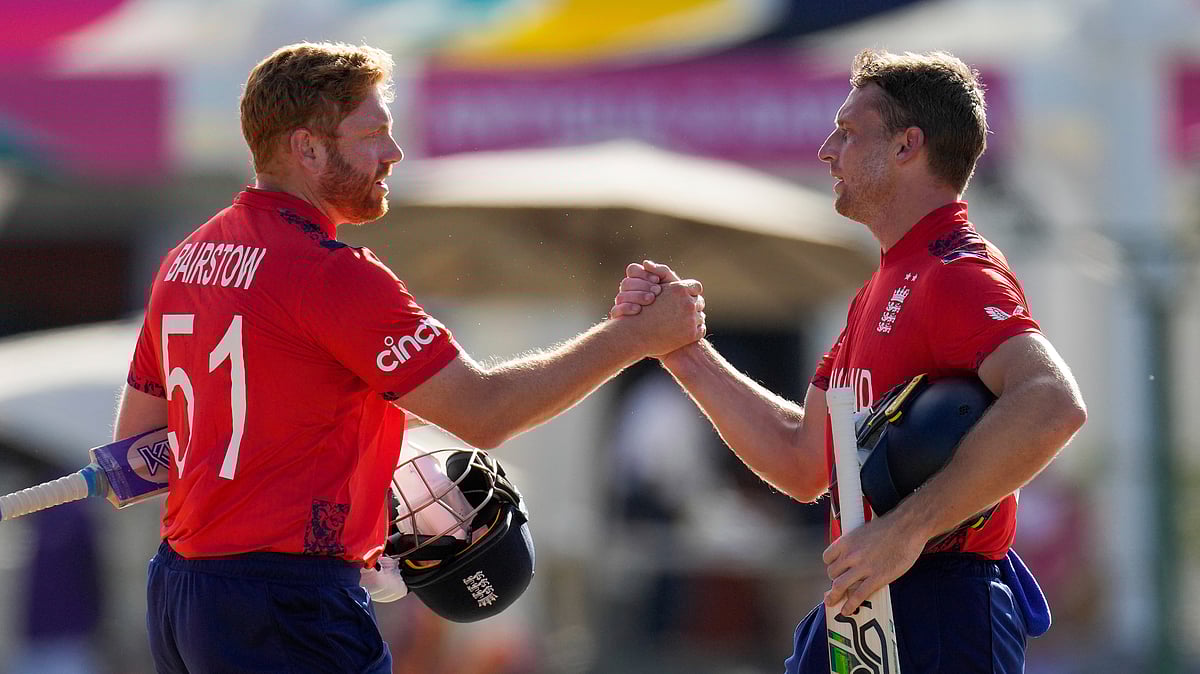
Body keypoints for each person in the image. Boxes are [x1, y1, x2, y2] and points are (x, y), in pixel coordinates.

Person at [113, 41, 705, 673]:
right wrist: (634, 337)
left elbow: (138, 454)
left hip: (182, 595)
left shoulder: (185, 259)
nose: (393, 154)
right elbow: (483, 413)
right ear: (306, 147)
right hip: (287, 603)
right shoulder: (330, 273)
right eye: (373, 134)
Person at [610, 48, 1087, 672]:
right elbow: (804, 459)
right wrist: (680, 352)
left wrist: (907, 529)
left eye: (848, 131)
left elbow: (1053, 403)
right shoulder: (885, 285)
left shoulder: (955, 271)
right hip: (874, 601)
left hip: (940, 597)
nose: (825, 150)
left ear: (906, 146)